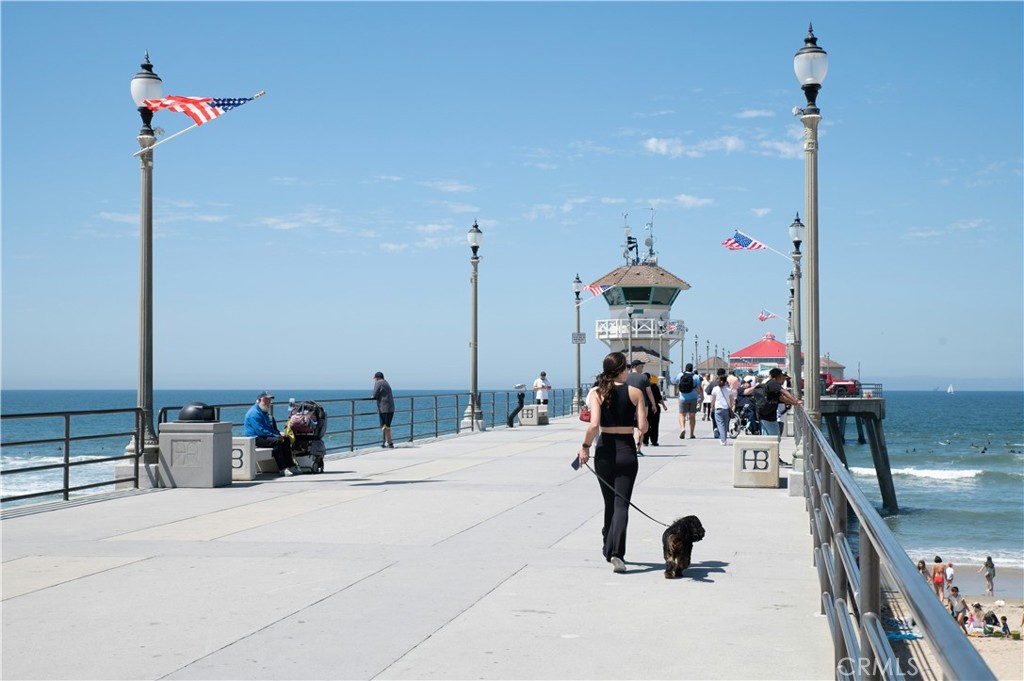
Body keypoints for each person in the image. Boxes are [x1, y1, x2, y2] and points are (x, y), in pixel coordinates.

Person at [577, 351, 647, 574]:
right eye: (625, 368)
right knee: (621, 503)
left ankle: (608, 545)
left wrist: (585, 447)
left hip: (605, 450)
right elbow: (644, 427)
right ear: (620, 369)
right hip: (626, 449)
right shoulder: (635, 392)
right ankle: (616, 552)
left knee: (610, 502)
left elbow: (593, 425)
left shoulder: (597, 392)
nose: (627, 371)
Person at [243, 391, 298, 475]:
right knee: (276, 442)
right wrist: (276, 436)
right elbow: (260, 431)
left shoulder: (264, 412)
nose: (268, 403)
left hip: (263, 436)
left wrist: (278, 434)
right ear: (258, 400)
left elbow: (269, 428)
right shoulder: (254, 413)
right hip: (254, 438)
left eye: (269, 401)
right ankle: (282, 468)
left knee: (286, 440)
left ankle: (291, 466)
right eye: (265, 400)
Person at [625, 359, 657, 456]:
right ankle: (638, 448)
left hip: (628, 404)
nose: (643, 368)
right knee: (641, 426)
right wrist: (654, 404)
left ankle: (629, 447)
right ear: (637, 366)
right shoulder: (644, 377)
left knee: (629, 426)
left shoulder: (626, 377)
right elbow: (649, 392)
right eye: (642, 366)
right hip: (642, 405)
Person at [759, 368, 803, 438]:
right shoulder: (773, 383)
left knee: (767, 439)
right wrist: (796, 401)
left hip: (765, 415)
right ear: (779, 376)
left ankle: (762, 449)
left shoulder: (771, 385)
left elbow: (782, 399)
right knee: (776, 438)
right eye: (783, 377)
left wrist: (794, 403)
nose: (784, 380)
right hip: (768, 417)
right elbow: (784, 392)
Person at [675, 363, 701, 439]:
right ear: (692, 369)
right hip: (693, 398)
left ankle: (682, 428)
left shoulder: (680, 375)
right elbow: (698, 388)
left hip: (683, 398)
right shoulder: (696, 377)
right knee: (692, 416)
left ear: (685, 368)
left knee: (682, 415)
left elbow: (675, 382)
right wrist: (701, 396)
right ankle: (692, 434)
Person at [370, 371, 395, 448]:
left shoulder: (378, 383)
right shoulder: (386, 382)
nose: (375, 380)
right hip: (391, 407)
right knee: (387, 426)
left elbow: (374, 395)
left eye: (375, 379)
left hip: (384, 408)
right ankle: (387, 442)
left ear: (377, 378)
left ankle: (390, 443)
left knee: (384, 426)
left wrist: (372, 397)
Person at [642, 373, 667, 447]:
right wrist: (664, 406)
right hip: (655, 407)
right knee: (655, 425)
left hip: (645, 407)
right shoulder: (654, 387)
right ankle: (654, 441)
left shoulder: (641, 388)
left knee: (646, 424)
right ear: (649, 379)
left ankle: (645, 441)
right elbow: (659, 398)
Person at [711, 376, 734, 446]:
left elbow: (713, 400)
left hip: (718, 408)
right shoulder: (728, 389)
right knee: (725, 424)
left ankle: (723, 440)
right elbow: (731, 400)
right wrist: (731, 407)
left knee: (720, 425)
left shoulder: (715, 389)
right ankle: (724, 438)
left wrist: (712, 408)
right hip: (726, 408)